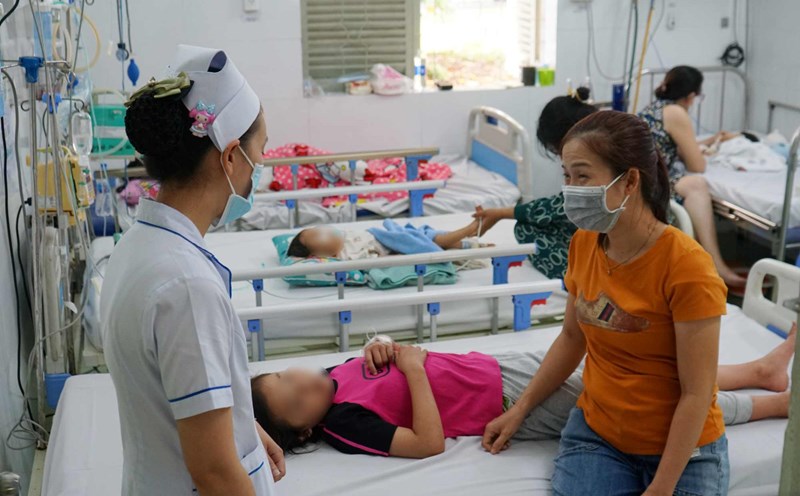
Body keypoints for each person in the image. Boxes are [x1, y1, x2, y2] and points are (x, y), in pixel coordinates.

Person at [482, 110, 731, 495]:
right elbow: (570, 338)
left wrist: (662, 488)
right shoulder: (583, 243)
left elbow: (696, 394)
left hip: (682, 447)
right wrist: (519, 410)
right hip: (599, 436)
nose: (570, 188)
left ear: (630, 180)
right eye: (566, 176)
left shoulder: (686, 266)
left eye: (583, 176)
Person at [101, 45, 282, 495]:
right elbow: (214, 472)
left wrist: (242, 426)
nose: (262, 168)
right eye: (261, 152)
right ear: (230, 157)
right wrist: (229, 448)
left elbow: (175, 394)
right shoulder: (186, 286)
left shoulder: (137, 246)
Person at [249, 328, 794, 459]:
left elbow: (378, 363)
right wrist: (414, 370)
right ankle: (772, 405)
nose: (303, 385)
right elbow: (428, 443)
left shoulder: (330, 374)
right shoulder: (343, 425)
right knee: (639, 398)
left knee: (635, 368)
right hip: (503, 404)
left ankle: (758, 369)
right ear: (304, 429)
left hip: (494, 366)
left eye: (288, 377)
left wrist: (381, 341)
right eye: (296, 400)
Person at [638, 65, 746, 288]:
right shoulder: (676, 112)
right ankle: (716, 265)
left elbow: (669, 145)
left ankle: (707, 267)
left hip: (643, 175)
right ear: (690, 96)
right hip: (653, 181)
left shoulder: (656, 108)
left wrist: (711, 140)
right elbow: (697, 165)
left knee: (693, 183)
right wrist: (701, 152)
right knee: (696, 184)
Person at [474, 94, 597, 279]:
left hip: (605, 234)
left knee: (527, 227)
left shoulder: (597, 157)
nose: (559, 157)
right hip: (589, 228)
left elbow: (560, 206)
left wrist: (500, 214)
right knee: (526, 228)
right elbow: (560, 203)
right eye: (566, 174)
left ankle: (577, 278)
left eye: (557, 151)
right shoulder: (593, 147)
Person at [286, 217, 489, 260]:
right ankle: (468, 232)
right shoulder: (344, 258)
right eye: (316, 237)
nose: (323, 232)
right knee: (425, 240)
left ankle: (466, 241)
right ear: (317, 254)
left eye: (316, 229)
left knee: (426, 234)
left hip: (390, 234)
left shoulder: (344, 236)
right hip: (394, 244)